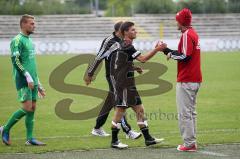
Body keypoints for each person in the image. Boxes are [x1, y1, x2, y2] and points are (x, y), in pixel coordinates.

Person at [110, 21, 166, 149]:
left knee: (140, 110)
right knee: (120, 112)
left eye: (135, 30)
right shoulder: (127, 46)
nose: (136, 32)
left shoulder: (125, 45)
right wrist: (157, 49)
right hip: (123, 85)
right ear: (125, 32)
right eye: (133, 30)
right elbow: (143, 59)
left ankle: (148, 139)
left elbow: (121, 63)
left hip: (129, 84)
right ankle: (114, 141)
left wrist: (134, 68)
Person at [84, 21, 141, 139]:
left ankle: (97, 128)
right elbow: (99, 57)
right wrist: (90, 73)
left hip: (121, 76)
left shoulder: (123, 42)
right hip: (113, 76)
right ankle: (128, 131)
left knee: (110, 102)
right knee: (120, 102)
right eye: (124, 29)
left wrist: (134, 68)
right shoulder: (109, 41)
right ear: (119, 30)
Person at [160, 8, 202, 152]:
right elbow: (185, 54)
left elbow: (185, 56)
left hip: (187, 79)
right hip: (195, 78)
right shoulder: (193, 33)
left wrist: (168, 53)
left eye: (177, 20)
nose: (175, 22)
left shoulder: (186, 35)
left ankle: (189, 143)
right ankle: (192, 141)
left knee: (184, 113)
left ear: (181, 21)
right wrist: (169, 51)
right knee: (191, 112)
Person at [0, 14, 46, 146]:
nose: (34, 25)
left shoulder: (30, 41)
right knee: (27, 107)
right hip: (23, 80)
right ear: (23, 24)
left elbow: (32, 64)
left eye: (34, 23)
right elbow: (15, 61)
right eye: (31, 23)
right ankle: (5, 129)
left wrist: (39, 83)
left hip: (33, 81)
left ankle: (30, 138)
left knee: (32, 108)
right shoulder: (17, 40)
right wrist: (27, 76)